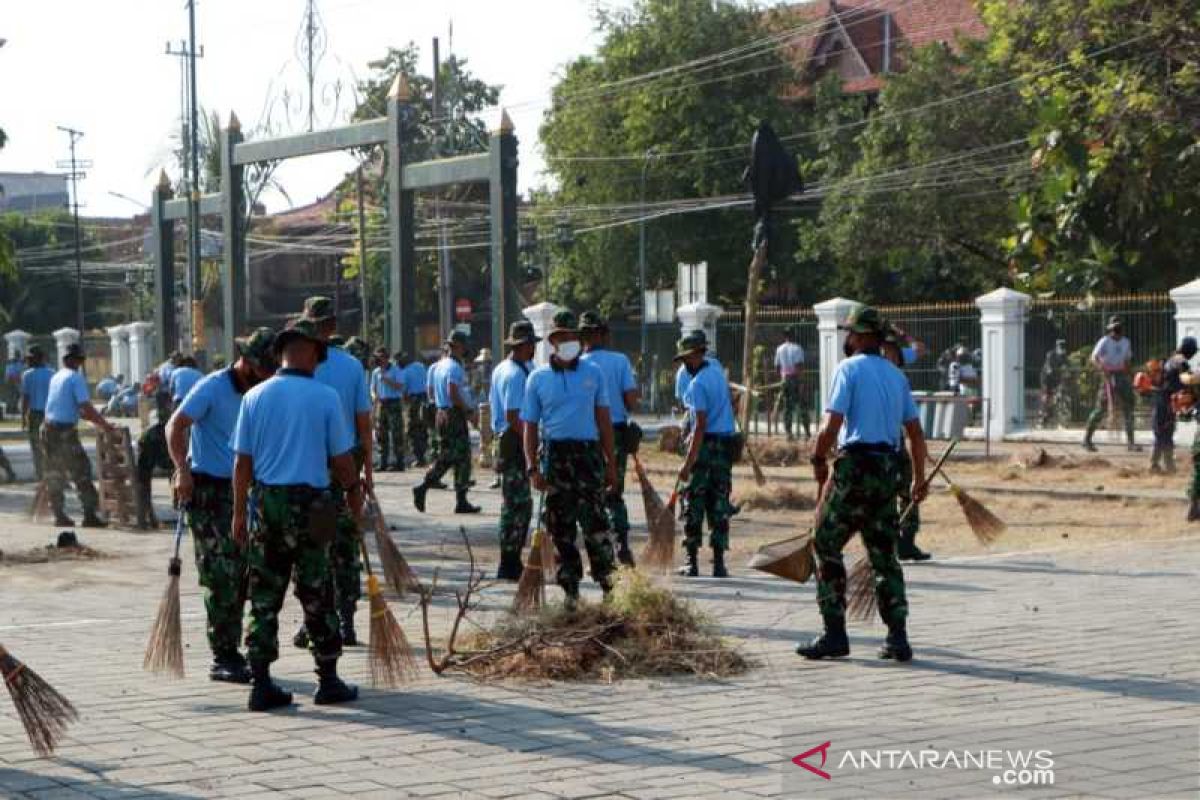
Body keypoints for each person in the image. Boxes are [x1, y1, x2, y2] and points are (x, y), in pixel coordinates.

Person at [231, 318, 362, 712]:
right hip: (312, 505)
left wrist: (239, 512)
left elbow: (242, 462)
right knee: (317, 592)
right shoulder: (325, 398)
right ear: (312, 354)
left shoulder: (255, 397)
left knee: (265, 595)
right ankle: (328, 679)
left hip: (267, 504)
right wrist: (355, 492)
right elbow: (341, 460)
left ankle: (261, 684)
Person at [798, 306, 928, 663]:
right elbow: (915, 434)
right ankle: (898, 638)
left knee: (824, 543)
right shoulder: (895, 375)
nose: (848, 338)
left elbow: (831, 425)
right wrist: (917, 479)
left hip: (855, 467)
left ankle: (834, 633)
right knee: (885, 555)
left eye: (851, 333)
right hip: (888, 470)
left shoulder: (848, 369)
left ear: (861, 337)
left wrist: (817, 458)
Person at [165, 328, 276, 684]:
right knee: (220, 575)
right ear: (247, 362)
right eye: (262, 369)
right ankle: (223, 655)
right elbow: (175, 425)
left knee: (245, 572)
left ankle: (236, 646)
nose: (267, 375)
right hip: (210, 493)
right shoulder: (212, 387)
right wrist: (181, 470)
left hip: (246, 491)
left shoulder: (260, 393)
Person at [521, 310, 618, 608]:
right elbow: (530, 426)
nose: (568, 341)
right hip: (554, 456)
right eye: (562, 337)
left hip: (588, 456)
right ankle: (570, 591)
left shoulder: (593, 374)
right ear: (552, 342)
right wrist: (532, 468)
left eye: (572, 337)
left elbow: (604, 420)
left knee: (596, 523)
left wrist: (611, 464)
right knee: (560, 527)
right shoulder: (537, 378)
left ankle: (609, 587)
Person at [294, 296, 373, 649]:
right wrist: (366, 470)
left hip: (312, 464)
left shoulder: (300, 365)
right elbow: (364, 425)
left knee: (315, 546)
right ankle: (339, 619)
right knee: (343, 544)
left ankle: (324, 618)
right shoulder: (352, 366)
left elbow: (363, 422)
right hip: (342, 464)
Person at [673, 330, 737, 578]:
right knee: (719, 503)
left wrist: (688, 463)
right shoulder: (716, 370)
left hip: (705, 446)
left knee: (693, 502)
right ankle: (719, 564)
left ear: (696, 355)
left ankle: (692, 561)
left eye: (687, 359)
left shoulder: (697, 384)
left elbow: (699, 425)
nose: (685, 365)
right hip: (724, 446)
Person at [580, 311, 640, 567]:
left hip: (585, 435)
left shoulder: (578, 364)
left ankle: (598, 546)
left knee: (590, 493)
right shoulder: (620, 361)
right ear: (605, 335)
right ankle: (622, 544)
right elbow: (632, 400)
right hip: (614, 430)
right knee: (614, 490)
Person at [42, 343, 115, 527]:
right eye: (80, 360)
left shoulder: (57, 376)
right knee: (81, 470)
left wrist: (93, 419)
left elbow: (75, 408)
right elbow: (86, 408)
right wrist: (105, 425)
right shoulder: (75, 378)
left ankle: (59, 515)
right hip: (64, 432)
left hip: (48, 430)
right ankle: (89, 515)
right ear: (76, 360)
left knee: (55, 473)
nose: (81, 363)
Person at [490, 321, 538, 580]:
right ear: (525, 346)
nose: (533, 350)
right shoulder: (515, 375)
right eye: (532, 345)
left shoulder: (503, 369)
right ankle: (509, 561)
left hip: (507, 442)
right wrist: (534, 443)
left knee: (514, 503)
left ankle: (510, 559)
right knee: (518, 505)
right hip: (514, 442)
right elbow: (513, 416)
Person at [412, 331, 480, 514]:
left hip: (442, 413)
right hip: (454, 415)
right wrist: (468, 411)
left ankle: (461, 500)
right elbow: (453, 391)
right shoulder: (454, 367)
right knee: (454, 456)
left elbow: (432, 392)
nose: (466, 348)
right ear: (458, 346)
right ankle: (425, 485)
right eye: (464, 344)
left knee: (459, 457)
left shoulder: (439, 366)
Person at [881, 324, 930, 562]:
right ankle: (886, 543)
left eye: (891, 349)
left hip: (897, 438)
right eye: (884, 348)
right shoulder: (868, 368)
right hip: (876, 442)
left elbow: (920, 349)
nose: (888, 354)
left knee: (908, 489)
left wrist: (903, 334)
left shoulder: (898, 366)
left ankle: (907, 542)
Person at [1084, 316, 1138, 452]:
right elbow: (1094, 358)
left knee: (1129, 408)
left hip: (1121, 376)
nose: (1116, 331)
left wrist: (1131, 376)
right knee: (1101, 409)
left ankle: (1131, 443)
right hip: (1108, 375)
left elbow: (1127, 361)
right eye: (1114, 328)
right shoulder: (1104, 341)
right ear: (1110, 329)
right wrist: (1103, 369)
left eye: (1118, 328)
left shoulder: (1126, 342)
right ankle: (1086, 440)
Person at [1149, 338, 1196, 474]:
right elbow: (1187, 378)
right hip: (1166, 400)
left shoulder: (1171, 359)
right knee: (1164, 432)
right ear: (1189, 350)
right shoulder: (1180, 361)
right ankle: (1161, 465)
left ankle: (1160, 464)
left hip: (1164, 399)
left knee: (1164, 431)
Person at [20, 346, 54, 481]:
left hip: (34, 415)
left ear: (35, 359)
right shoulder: (52, 373)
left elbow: (25, 398)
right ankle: (55, 476)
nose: (28, 361)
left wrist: (23, 417)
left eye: (29, 359)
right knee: (51, 446)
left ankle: (41, 476)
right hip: (49, 415)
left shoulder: (27, 375)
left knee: (36, 446)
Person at [371, 347, 407, 471]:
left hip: (393, 403)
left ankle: (399, 462)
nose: (378, 360)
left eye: (380, 358)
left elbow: (400, 386)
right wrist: (375, 398)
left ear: (386, 358)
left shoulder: (396, 370)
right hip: (382, 403)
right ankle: (383, 462)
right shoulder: (376, 372)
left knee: (397, 433)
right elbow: (373, 389)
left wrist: (387, 380)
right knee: (382, 433)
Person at [774, 327, 810, 440]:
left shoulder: (779, 349)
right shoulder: (797, 348)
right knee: (802, 405)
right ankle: (807, 432)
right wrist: (802, 382)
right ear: (793, 335)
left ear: (784, 336)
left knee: (787, 408)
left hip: (784, 380)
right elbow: (799, 366)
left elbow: (777, 366)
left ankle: (789, 433)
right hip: (795, 379)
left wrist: (781, 378)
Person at [403, 353, 430, 466]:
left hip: (413, 401)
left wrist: (405, 404)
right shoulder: (421, 366)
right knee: (423, 427)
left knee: (412, 429)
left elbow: (404, 391)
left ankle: (419, 457)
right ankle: (424, 455)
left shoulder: (405, 372)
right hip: (425, 398)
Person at [1039, 340, 1070, 428]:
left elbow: (1067, 366)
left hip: (1056, 378)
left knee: (1059, 397)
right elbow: (1048, 367)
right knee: (1046, 398)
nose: (1062, 349)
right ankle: (1042, 418)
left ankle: (1058, 419)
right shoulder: (1050, 354)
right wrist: (1051, 370)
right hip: (1046, 379)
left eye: (1063, 347)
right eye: (1060, 347)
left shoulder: (1064, 356)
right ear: (1056, 347)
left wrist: (1067, 371)